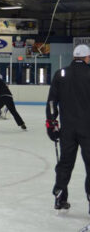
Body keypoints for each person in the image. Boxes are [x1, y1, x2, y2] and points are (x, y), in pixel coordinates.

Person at [46, 44, 90, 212]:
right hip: (88, 129)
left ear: (74, 57)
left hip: (67, 130)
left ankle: (59, 195)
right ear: (87, 58)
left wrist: (51, 123)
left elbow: (51, 102)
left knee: (65, 164)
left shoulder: (60, 74)